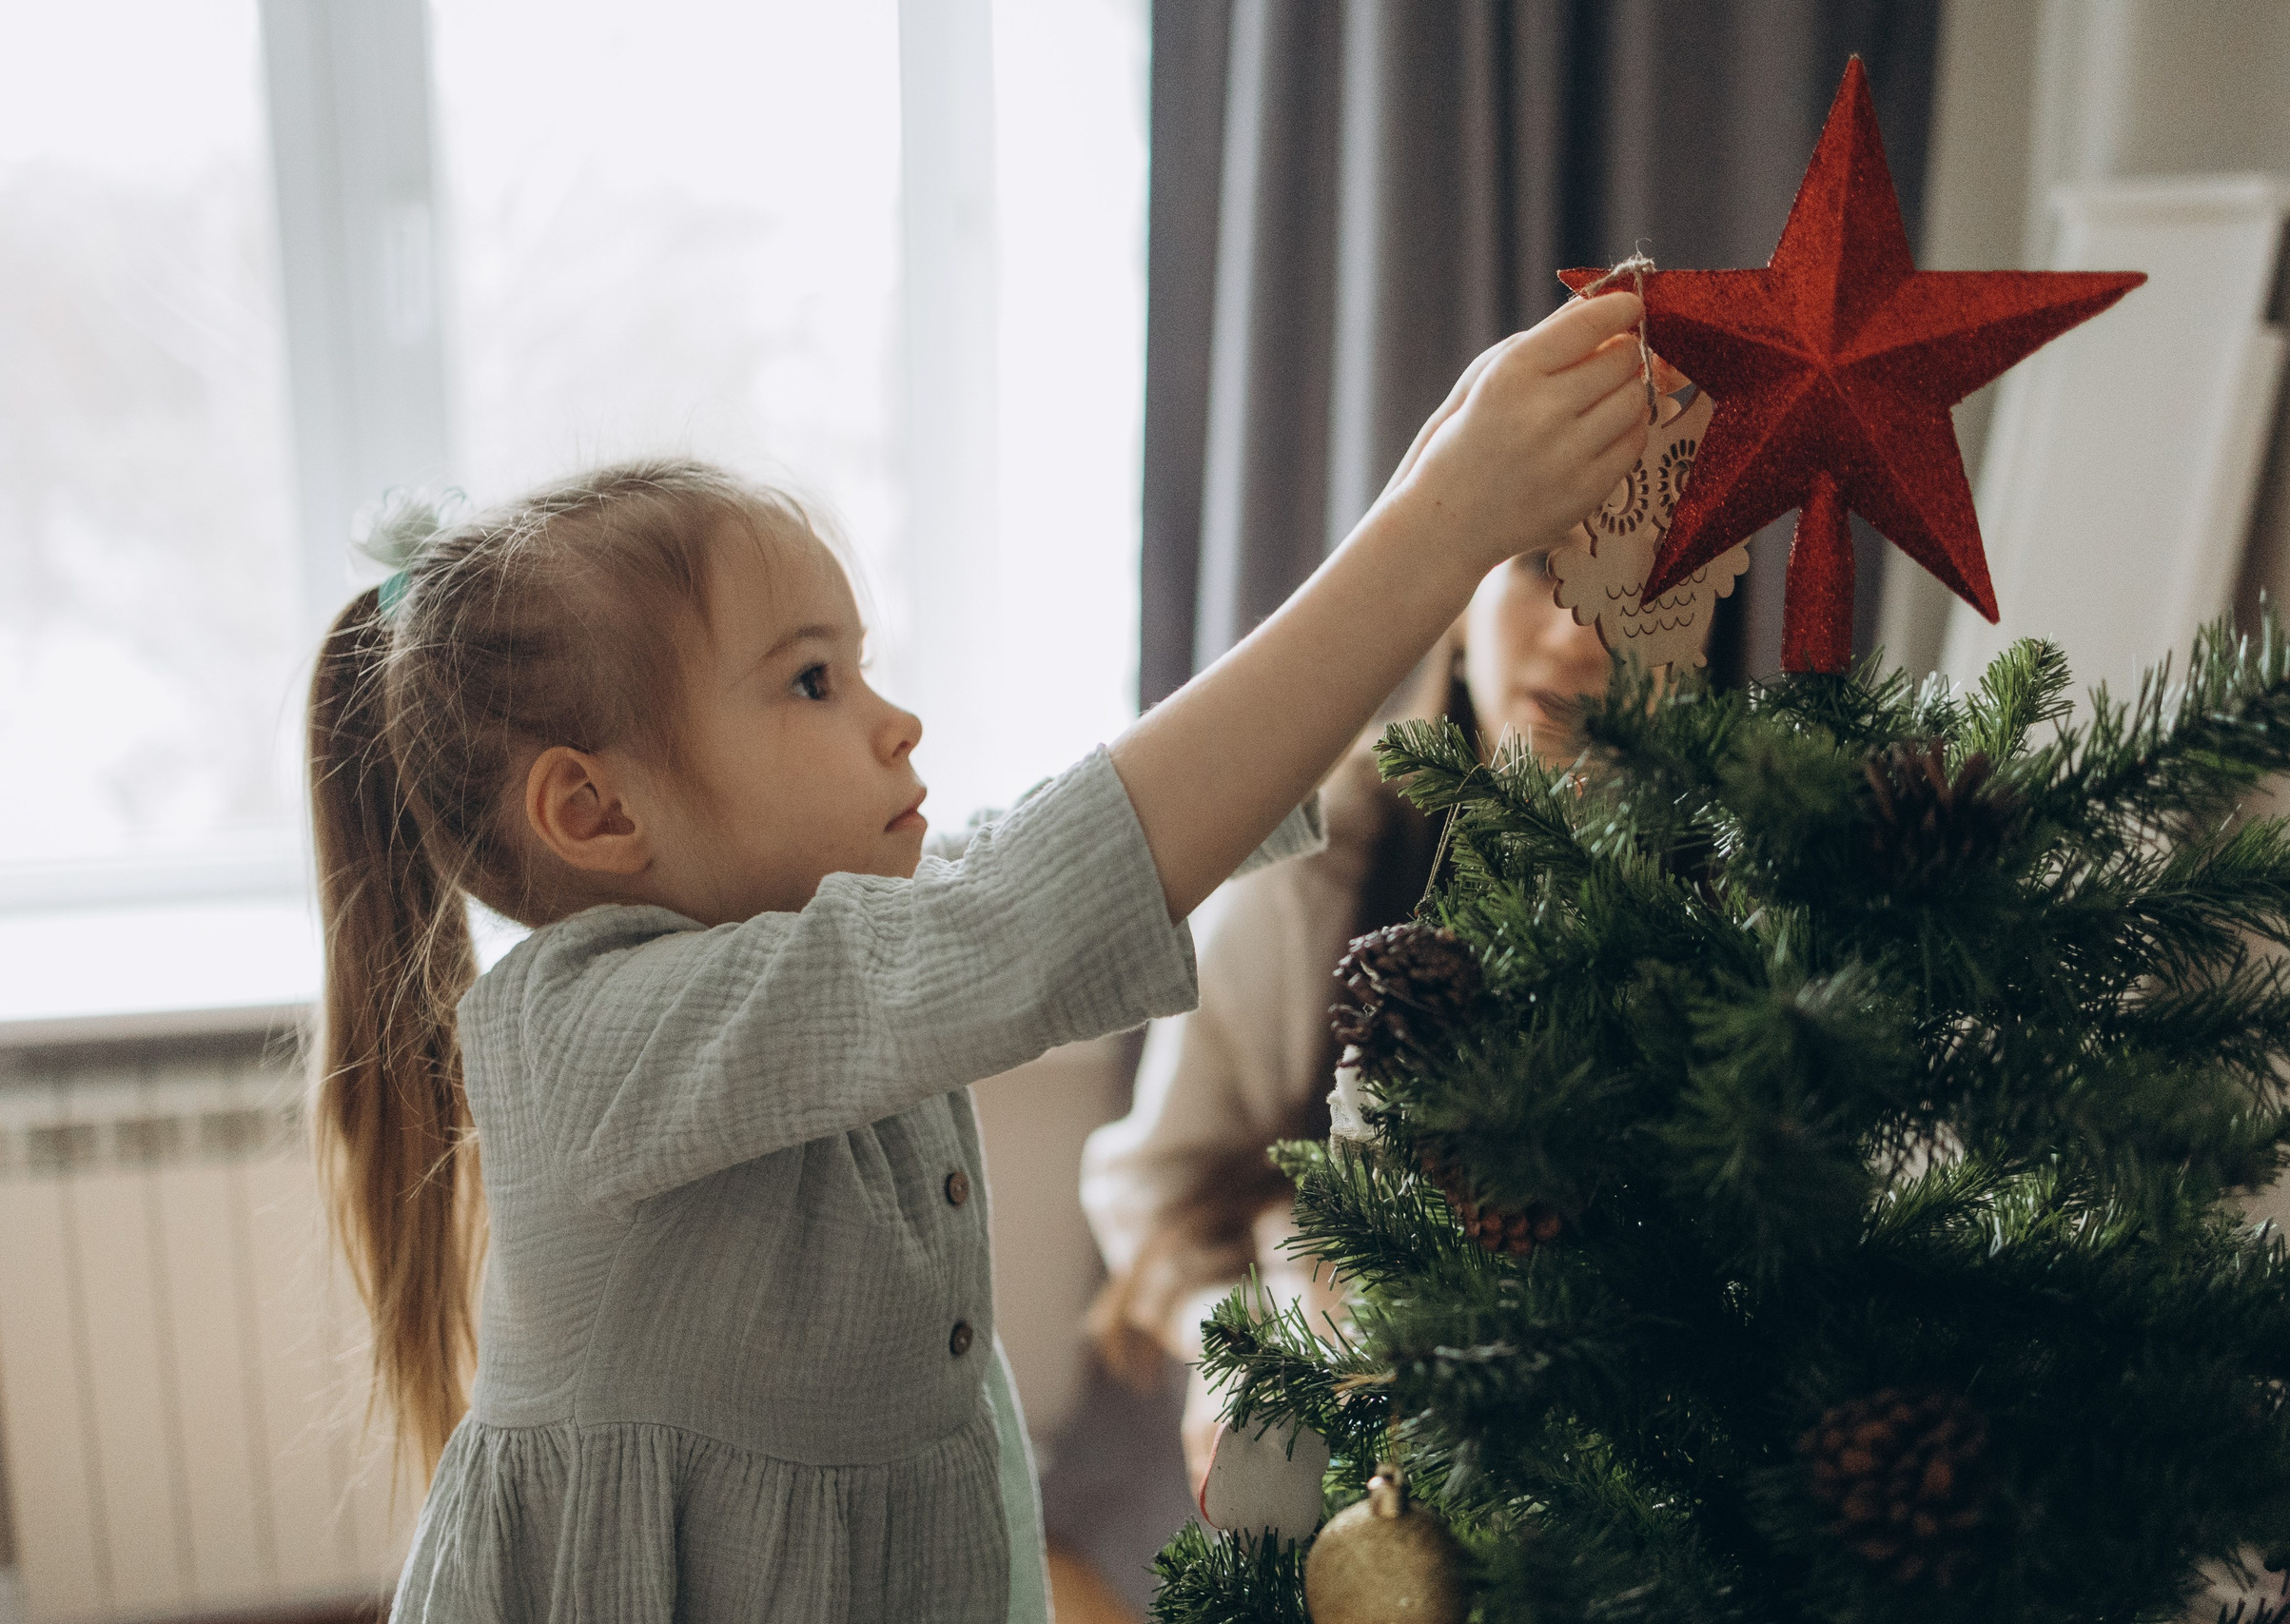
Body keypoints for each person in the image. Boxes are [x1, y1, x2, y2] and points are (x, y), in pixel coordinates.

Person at [305, 290, 1655, 1624]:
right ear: (596, 811)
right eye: (812, 680)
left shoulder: (824, 941)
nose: (897, 720)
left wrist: (1444, 469)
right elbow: (1018, 911)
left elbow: (1041, 853)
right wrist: (1436, 534)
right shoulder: (582, 1034)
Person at [1079, 538, 1617, 1488]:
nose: (1578, 631)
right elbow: (1150, 1187)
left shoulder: (1738, 907)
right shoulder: (1307, 867)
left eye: (1643, 583)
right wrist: (1240, 1353)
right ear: (1462, 598)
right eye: (1542, 561)